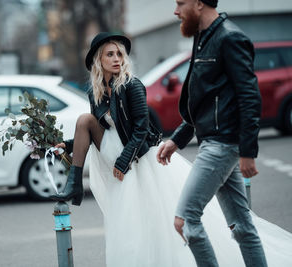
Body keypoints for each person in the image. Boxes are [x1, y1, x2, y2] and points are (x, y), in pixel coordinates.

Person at [51, 31, 292, 266]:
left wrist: (125, 160)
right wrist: (70, 146)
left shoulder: (132, 85)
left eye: (120, 54)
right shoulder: (96, 91)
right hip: (113, 151)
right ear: (98, 61)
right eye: (110, 55)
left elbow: (142, 129)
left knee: (153, 220)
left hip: (138, 155)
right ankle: (74, 185)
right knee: (84, 120)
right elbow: (98, 126)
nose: (116, 59)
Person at [157, 0, 289, 266]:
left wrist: (248, 152)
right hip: (212, 140)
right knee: (242, 225)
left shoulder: (230, 38)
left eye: (180, 3)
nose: (176, 11)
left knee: (185, 221)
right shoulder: (203, 37)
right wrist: (178, 139)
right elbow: (204, 100)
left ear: (198, 3)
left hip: (222, 144)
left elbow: (249, 97)